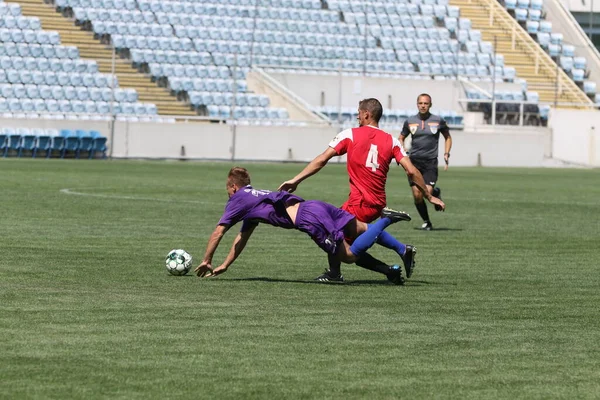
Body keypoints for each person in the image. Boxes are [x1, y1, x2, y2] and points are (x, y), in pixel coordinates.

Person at [278, 98, 445, 282]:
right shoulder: (392, 141)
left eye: (359, 112)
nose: (357, 115)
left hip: (361, 202)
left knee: (343, 247)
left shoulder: (350, 134)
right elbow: (412, 171)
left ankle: (339, 272)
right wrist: (428, 195)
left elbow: (322, 159)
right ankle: (396, 259)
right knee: (355, 234)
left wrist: (296, 180)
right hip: (376, 201)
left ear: (367, 114)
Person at [195, 167, 413, 285]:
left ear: (233, 187)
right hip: (315, 206)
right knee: (363, 229)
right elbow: (241, 238)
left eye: (227, 189)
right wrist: (226, 264)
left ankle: (386, 219)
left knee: (348, 255)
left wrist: (207, 260)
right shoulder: (255, 198)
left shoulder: (238, 199)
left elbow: (219, 232)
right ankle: (402, 249)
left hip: (308, 218)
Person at [399, 93, 453, 231]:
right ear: (417, 104)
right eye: (421, 103)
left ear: (430, 105)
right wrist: (402, 148)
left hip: (430, 162)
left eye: (426, 103)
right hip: (414, 161)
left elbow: (447, 137)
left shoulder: (438, 120)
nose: (423, 106)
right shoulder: (410, 121)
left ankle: (435, 192)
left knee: (426, 192)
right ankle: (427, 222)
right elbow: (401, 137)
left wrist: (446, 153)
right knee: (417, 195)